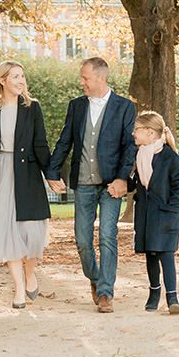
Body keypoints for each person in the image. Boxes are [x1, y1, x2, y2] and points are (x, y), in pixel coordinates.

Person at [46, 57, 136, 313]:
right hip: (83, 182)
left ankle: (106, 292)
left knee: (108, 235)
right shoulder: (76, 106)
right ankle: (95, 279)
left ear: (101, 78)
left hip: (111, 185)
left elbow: (129, 147)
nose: (81, 82)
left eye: (85, 78)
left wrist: (122, 179)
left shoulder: (124, 107)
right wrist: (52, 172)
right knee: (83, 241)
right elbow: (65, 141)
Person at [0, 61, 52, 309]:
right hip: (1, 175)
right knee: (8, 233)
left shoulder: (32, 107)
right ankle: (18, 290)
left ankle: (29, 273)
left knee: (31, 234)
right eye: (15, 76)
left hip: (27, 174)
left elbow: (41, 144)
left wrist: (52, 174)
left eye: (22, 76)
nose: (21, 81)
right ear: (2, 80)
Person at [130, 111, 179, 314]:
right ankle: (154, 292)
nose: (133, 133)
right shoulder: (138, 155)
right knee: (151, 254)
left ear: (151, 133)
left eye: (137, 130)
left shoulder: (170, 157)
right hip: (145, 213)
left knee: (166, 255)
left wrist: (171, 208)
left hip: (165, 214)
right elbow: (138, 184)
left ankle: (172, 297)